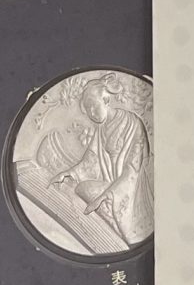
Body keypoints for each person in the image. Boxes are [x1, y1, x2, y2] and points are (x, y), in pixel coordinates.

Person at [57, 75, 154, 248]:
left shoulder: (133, 123)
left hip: (131, 189)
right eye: (88, 111)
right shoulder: (101, 130)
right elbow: (90, 161)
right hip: (112, 184)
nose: (92, 114)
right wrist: (69, 172)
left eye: (94, 108)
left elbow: (133, 170)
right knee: (82, 188)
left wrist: (105, 195)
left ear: (106, 100)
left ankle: (119, 234)